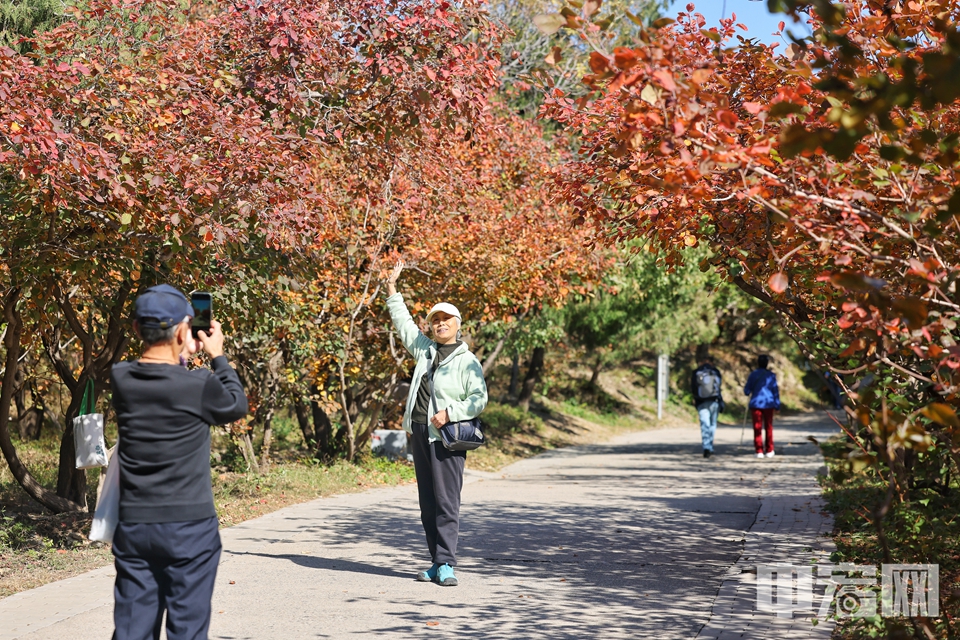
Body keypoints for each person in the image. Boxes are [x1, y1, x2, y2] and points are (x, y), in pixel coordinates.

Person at [110, 284, 248, 640]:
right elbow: (236, 404)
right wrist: (217, 356)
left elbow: (157, 372)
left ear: (138, 330)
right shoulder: (199, 384)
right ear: (183, 331)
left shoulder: (121, 378)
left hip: (135, 524)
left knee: (131, 630)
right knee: (186, 630)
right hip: (190, 527)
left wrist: (181, 347)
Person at [385, 261, 488, 587]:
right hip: (419, 433)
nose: (440, 324)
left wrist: (451, 412)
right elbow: (403, 326)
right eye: (435, 320)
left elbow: (479, 398)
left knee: (446, 502)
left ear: (457, 325)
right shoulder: (426, 351)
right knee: (428, 505)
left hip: (446, 437)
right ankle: (436, 561)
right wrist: (391, 290)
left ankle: (447, 564)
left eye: (446, 320)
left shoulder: (467, 361)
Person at [744, 354, 780, 458]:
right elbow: (775, 391)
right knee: (769, 427)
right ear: (767, 363)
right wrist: (777, 405)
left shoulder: (753, 374)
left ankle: (759, 450)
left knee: (757, 427)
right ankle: (769, 450)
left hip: (756, 404)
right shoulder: (771, 375)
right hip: (769, 404)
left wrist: (749, 391)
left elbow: (746, 391)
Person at [691, 354, 724, 458]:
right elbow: (719, 386)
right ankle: (710, 446)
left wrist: (695, 399)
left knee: (704, 424)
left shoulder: (697, 372)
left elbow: (693, 387)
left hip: (701, 401)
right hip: (714, 400)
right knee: (712, 424)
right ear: (712, 362)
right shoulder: (715, 372)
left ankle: (706, 446)